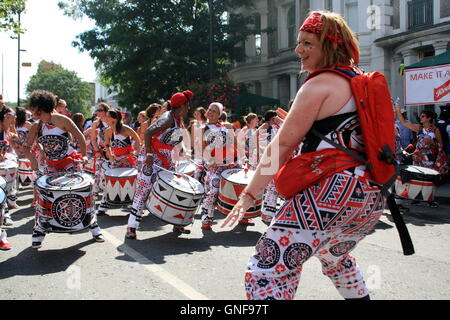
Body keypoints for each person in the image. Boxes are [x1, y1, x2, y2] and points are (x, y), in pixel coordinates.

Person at [222, 10, 384, 300]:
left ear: (331, 45)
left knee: (266, 268)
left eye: (308, 43)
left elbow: (282, 146)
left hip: (334, 193)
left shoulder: (318, 84)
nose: (299, 50)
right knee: (337, 260)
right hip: (371, 196)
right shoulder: (358, 80)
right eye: (299, 42)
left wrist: (250, 194)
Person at [23, 90, 105, 249]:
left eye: (33, 108)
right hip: (50, 166)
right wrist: (32, 159)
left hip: (70, 163)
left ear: (41, 108)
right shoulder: (36, 126)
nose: (31, 111)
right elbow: (26, 146)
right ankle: (39, 230)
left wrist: (83, 155)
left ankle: (93, 225)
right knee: (44, 197)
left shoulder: (62, 120)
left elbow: (80, 136)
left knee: (83, 195)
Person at [126, 90, 193, 239]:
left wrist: (182, 152)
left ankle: (178, 223)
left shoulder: (177, 119)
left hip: (164, 157)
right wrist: (149, 155)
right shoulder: (168, 118)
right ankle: (131, 226)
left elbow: (170, 139)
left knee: (176, 187)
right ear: (181, 106)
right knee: (143, 190)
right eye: (187, 105)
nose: (189, 108)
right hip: (151, 157)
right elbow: (148, 133)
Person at [257, 110, 283, 224]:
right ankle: (267, 213)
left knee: (271, 187)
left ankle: (266, 212)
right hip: (271, 158)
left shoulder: (269, 127)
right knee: (273, 187)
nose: (276, 120)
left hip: (270, 158)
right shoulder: (269, 127)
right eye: (275, 118)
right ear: (271, 119)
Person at [90, 103, 110, 194]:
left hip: (111, 150)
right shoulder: (96, 123)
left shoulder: (111, 121)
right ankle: (95, 191)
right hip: (100, 150)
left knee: (110, 170)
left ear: (106, 111)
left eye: (100, 110)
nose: (98, 112)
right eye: (97, 110)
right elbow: (93, 139)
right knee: (98, 172)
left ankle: (110, 191)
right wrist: (96, 150)